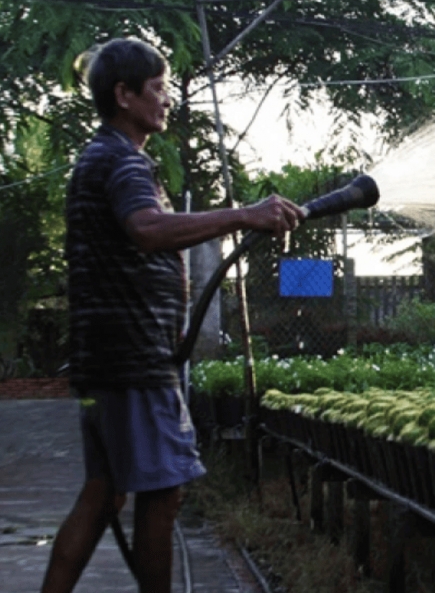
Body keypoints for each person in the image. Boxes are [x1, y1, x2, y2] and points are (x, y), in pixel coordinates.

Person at [42, 37, 305, 593]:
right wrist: (245, 215)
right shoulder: (120, 160)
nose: (167, 101)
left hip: (110, 359)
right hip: (133, 363)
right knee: (163, 494)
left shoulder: (109, 156)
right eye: (158, 89)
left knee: (104, 493)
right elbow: (147, 229)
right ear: (124, 95)